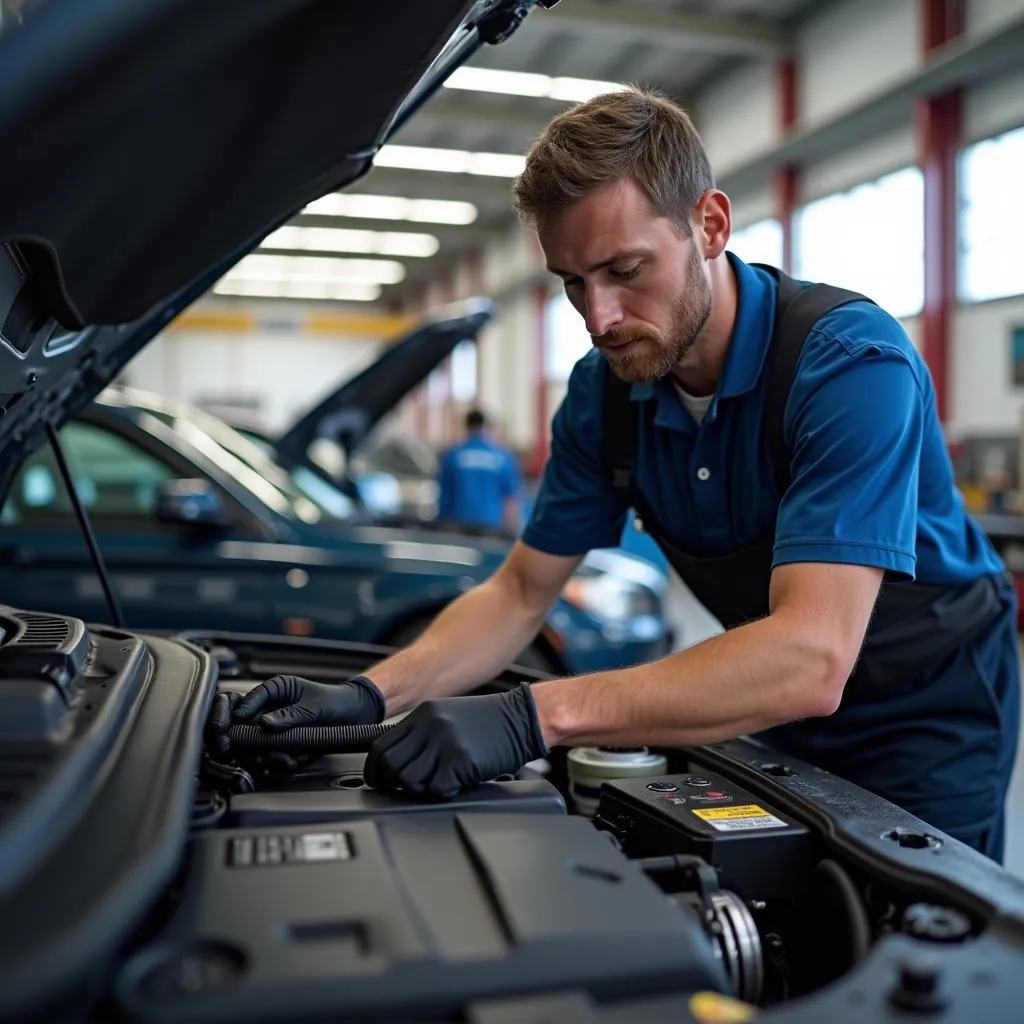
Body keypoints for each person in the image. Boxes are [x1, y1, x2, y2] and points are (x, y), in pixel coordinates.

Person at [231, 89, 1020, 863]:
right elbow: (518, 593)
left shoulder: (849, 367)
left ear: (709, 225)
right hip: (788, 702)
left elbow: (812, 656)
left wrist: (532, 716)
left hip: (932, 708)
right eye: (572, 282)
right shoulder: (605, 394)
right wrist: (371, 694)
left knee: (919, 943)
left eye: (624, 269)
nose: (597, 316)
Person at [435, 408, 522, 531]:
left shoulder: (452, 456)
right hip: (492, 528)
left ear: (466, 425)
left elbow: (444, 497)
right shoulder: (502, 457)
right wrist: (511, 531)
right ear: (486, 426)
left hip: (458, 527)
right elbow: (511, 500)